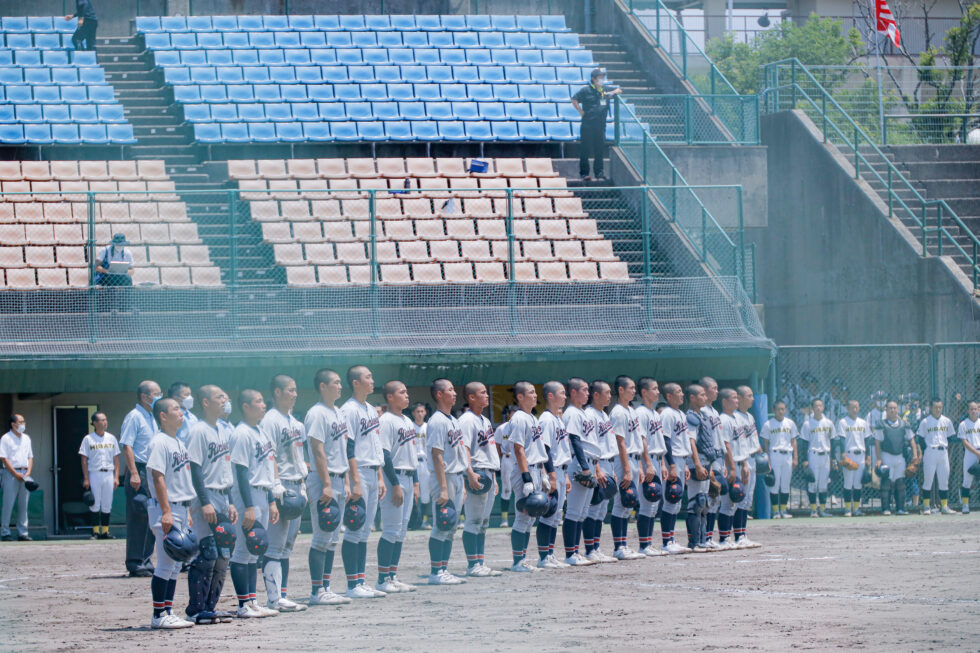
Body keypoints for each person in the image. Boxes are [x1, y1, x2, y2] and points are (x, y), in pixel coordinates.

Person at [184, 385, 237, 625]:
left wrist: (232, 501)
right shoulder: (198, 431)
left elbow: (227, 469)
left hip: (224, 496)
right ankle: (195, 609)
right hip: (206, 496)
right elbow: (194, 469)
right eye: (219, 396)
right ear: (205, 402)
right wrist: (204, 503)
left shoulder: (222, 430)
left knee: (223, 555)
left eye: (224, 396)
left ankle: (210, 607)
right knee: (208, 555)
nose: (224, 400)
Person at [304, 369, 356, 607]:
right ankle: (317, 590)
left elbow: (343, 450)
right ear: (323, 386)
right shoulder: (316, 413)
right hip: (322, 479)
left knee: (333, 538)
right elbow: (317, 450)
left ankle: (326, 586)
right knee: (321, 536)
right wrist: (326, 484)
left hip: (338, 478)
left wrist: (345, 481)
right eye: (335, 383)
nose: (339, 386)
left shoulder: (338, 412)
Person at [227, 389, 279, 619]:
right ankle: (243, 605)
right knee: (242, 550)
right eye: (258, 401)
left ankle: (252, 601)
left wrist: (271, 501)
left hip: (262, 492)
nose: (263, 404)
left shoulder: (262, 432)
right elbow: (240, 471)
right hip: (246, 494)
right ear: (246, 406)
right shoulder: (241, 433)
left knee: (254, 552)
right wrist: (248, 506)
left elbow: (267, 470)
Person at [259, 375, 309, 611]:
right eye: (290, 390)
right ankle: (273, 598)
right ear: (277, 392)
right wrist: (275, 487)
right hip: (281, 486)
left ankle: (282, 595)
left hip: (297, 484)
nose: (295, 393)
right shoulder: (270, 420)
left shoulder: (295, 422)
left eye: (295, 389)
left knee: (287, 546)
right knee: (275, 546)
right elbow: (270, 456)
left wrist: (303, 484)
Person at [145, 398, 194, 630]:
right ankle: (158, 615)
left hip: (180, 507)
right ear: (163, 416)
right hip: (166, 507)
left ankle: (168, 610)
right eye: (175, 408)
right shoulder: (159, 442)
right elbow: (158, 477)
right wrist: (166, 512)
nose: (181, 412)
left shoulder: (178, 442)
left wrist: (187, 511)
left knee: (175, 564)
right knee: (166, 562)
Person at [339, 366, 386, 598]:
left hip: (372, 471)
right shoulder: (348, 410)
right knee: (355, 529)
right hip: (358, 473)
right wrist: (354, 480)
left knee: (365, 531)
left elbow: (375, 445)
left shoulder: (369, 409)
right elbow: (348, 447)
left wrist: (379, 476)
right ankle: (352, 585)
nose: (372, 379)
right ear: (355, 382)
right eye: (368, 377)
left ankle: (360, 581)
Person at [375, 380, 420, 594]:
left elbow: (413, 454)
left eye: (406, 391)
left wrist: (416, 483)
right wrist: (394, 484)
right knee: (391, 530)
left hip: (409, 476)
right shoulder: (386, 421)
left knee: (401, 532)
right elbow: (384, 454)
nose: (407, 395)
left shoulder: (407, 421)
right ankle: (383, 578)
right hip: (396, 479)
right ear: (390, 397)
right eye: (402, 392)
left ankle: (392, 575)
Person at [505, 381, 554, 572]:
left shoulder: (532, 417)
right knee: (522, 517)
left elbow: (536, 449)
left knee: (531, 518)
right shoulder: (519, 418)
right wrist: (526, 478)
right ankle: (518, 562)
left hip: (535, 468)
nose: (535, 395)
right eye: (531, 392)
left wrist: (542, 473)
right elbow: (518, 449)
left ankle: (522, 560)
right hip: (523, 470)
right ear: (520, 397)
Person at [425, 378, 467, 585]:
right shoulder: (437, 421)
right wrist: (443, 489)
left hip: (456, 476)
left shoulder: (453, 419)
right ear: (439, 394)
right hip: (444, 478)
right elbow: (437, 455)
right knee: (441, 524)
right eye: (450, 389)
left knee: (451, 527)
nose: (455, 393)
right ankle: (436, 572)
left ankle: (444, 569)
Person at [459, 381, 502, 577]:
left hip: (488, 472)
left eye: (487, 392)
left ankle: (480, 562)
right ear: (471, 397)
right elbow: (464, 449)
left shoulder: (484, 420)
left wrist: (494, 478)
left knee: (483, 522)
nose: (487, 395)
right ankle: (472, 565)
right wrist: (469, 474)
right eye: (482, 393)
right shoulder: (467, 420)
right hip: (476, 471)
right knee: (474, 521)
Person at [120, 380, 161, 576]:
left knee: (151, 516)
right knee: (139, 515)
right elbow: (127, 445)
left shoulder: (152, 417)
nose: (159, 397)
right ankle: (135, 562)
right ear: (145, 397)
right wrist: (134, 472)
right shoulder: (134, 416)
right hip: (140, 470)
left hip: (152, 470)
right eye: (156, 393)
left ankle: (146, 559)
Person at [559, 377, 598, 566]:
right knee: (574, 511)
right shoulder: (572, 413)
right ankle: (570, 553)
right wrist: (584, 467)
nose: (587, 393)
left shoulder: (583, 413)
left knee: (582, 512)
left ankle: (576, 551)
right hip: (578, 462)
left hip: (588, 462)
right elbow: (574, 440)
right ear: (573, 392)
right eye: (584, 389)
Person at [608, 375, 646, 560]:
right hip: (623, 460)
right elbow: (620, 442)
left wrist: (638, 466)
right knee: (620, 503)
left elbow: (636, 440)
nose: (634, 390)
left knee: (627, 505)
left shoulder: (631, 410)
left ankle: (623, 544)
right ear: (620, 390)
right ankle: (618, 547)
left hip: (634, 459)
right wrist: (628, 470)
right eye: (630, 387)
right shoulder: (617, 412)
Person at [537, 381, 572, 567]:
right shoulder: (546, 419)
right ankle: (543, 557)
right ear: (550, 396)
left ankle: (549, 554)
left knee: (556, 516)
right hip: (553, 471)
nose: (565, 396)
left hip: (561, 470)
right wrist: (550, 475)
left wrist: (564, 475)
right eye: (562, 393)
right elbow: (545, 449)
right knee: (548, 515)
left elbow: (562, 450)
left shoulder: (557, 419)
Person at [584, 380, 617, 563]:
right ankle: (590, 549)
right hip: (599, 464)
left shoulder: (604, 414)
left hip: (609, 464)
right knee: (594, 508)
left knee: (601, 511)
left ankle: (595, 547)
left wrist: (612, 469)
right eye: (607, 392)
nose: (609, 396)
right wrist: (597, 469)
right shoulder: (590, 415)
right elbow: (590, 445)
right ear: (595, 395)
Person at [635, 378, 668, 556]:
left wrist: (662, 463)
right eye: (654, 389)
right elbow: (642, 439)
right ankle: (643, 545)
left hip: (656, 459)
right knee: (647, 502)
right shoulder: (641, 413)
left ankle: (648, 543)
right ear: (644, 392)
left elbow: (659, 441)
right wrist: (647, 464)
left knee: (654, 505)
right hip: (647, 461)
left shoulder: (655, 413)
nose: (657, 392)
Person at [571, 68, 622, 181]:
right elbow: (574, 99)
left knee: (599, 150)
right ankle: (584, 173)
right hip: (587, 125)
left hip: (600, 125)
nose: (601, 80)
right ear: (593, 79)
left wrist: (611, 93)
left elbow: (619, 90)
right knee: (585, 150)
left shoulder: (605, 90)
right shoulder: (585, 90)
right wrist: (580, 111)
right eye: (599, 78)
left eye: (602, 77)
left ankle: (599, 172)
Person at [658, 383, 690, 554]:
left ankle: (671, 539)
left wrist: (684, 464)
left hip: (681, 459)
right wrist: (671, 464)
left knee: (676, 503)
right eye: (678, 392)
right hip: (673, 459)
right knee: (671, 499)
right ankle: (666, 541)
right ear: (669, 396)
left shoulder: (680, 414)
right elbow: (666, 441)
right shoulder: (667, 414)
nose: (682, 394)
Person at [79, 412, 120, 540]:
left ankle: (105, 531)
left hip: (108, 473)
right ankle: (96, 531)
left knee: (107, 503)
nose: (105, 422)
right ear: (95, 423)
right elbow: (84, 460)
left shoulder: (111, 438)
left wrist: (116, 477)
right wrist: (86, 478)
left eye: (105, 420)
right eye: (102, 420)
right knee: (95, 504)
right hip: (94, 473)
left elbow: (116, 459)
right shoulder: (88, 439)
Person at [717, 388, 748, 549]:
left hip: (740, 462)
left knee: (739, 501)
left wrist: (745, 464)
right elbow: (726, 445)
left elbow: (742, 443)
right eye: (734, 398)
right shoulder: (723, 419)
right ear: (724, 401)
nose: (737, 401)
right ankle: (724, 538)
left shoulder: (737, 418)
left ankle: (740, 536)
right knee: (729, 502)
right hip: (731, 465)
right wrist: (733, 468)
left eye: (737, 398)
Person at [874, 400, 917, 515]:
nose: (893, 410)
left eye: (894, 408)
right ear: (886, 410)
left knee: (900, 483)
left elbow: (911, 440)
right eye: (890, 408)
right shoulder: (881, 424)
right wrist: (878, 459)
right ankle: (886, 508)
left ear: (897, 409)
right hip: (887, 455)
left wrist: (915, 455)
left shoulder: (904, 424)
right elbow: (877, 442)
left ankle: (900, 508)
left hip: (900, 457)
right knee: (886, 482)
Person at [684, 384, 714, 552]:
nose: (705, 397)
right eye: (701, 395)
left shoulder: (703, 415)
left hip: (707, 460)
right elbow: (691, 441)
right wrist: (696, 463)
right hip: (698, 460)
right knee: (696, 502)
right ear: (693, 398)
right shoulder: (691, 417)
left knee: (705, 503)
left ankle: (703, 539)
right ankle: (694, 541)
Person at [917, 398, 956, 515]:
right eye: (935, 407)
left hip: (943, 451)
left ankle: (944, 506)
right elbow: (920, 438)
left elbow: (950, 437)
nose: (938, 409)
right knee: (928, 480)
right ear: (930, 408)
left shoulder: (947, 421)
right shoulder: (925, 421)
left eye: (940, 407)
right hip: (930, 451)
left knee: (944, 481)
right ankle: (926, 507)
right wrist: (926, 450)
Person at [760, 400, 798, 519]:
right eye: (778, 409)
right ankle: (776, 511)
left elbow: (794, 441)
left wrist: (795, 457)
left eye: (782, 409)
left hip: (787, 454)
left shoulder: (790, 423)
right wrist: (767, 460)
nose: (781, 411)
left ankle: (783, 510)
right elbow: (765, 443)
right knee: (775, 484)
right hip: (774, 454)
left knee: (785, 484)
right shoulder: (768, 424)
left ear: (785, 410)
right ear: (774, 410)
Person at [800, 398, 836, 517]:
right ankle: (813, 510)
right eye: (816, 406)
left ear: (823, 407)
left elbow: (833, 441)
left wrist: (834, 458)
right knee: (812, 483)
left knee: (823, 484)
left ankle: (823, 509)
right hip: (813, 454)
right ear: (812, 408)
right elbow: (804, 443)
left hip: (825, 455)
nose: (819, 408)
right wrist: (804, 460)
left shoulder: (829, 423)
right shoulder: (807, 424)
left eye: (820, 405)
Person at [1, 414, 34, 541]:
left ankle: (23, 533)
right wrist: (15, 473)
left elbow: (30, 457)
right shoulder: (6, 438)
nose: (23, 424)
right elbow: (4, 458)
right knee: (8, 504)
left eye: (23, 421)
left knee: (23, 505)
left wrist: (28, 472)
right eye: (20, 422)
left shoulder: (26, 438)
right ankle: (5, 532)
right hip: (10, 474)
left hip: (25, 474)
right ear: (13, 424)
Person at [836, 400, 872, 517]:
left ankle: (856, 509)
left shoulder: (863, 422)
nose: (854, 410)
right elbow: (841, 439)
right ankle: (847, 509)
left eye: (856, 407)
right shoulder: (843, 422)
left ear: (859, 408)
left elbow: (867, 440)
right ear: (848, 408)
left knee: (857, 484)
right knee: (848, 483)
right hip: (849, 454)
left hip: (861, 454)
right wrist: (842, 454)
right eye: (852, 407)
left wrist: (868, 456)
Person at [957, 401, 980, 515]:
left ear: (978, 410)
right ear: (968, 411)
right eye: (971, 409)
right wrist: (977, 453)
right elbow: (964, 441)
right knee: (967, 479)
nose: (973, 411)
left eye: (975, 409)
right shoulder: (963, 424)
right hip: (970, 453)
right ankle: (965, 505)